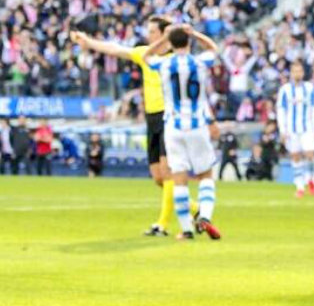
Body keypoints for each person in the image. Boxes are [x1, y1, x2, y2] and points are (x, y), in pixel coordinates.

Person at [73, 17, 194, 237]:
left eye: (152, 32)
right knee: (158, 176)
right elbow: (115, 49)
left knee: (167, 173)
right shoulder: (145, 54)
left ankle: (162, 225)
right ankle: (194, 209)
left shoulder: (176, 58)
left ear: (163, 34)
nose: (148, 35)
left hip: (170, 117)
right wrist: (89, 42)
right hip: (152, 118)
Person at [142, 25, 223, 242]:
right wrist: (194, 33)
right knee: (206, 175)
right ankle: (205, 216)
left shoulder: (164, 63)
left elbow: (147, 55)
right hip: (197, 125)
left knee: (178, 179)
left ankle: (186, 230)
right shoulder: (199, 62)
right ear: (188, 42)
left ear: (171, 43)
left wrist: (164, 39)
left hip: (173, 127)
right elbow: (214, 49)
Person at [276, 61, 314, 198]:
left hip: (307, 128)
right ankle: (300, 186)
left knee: (310, 155)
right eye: (295, 71)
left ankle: (312, 180)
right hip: (291, 130)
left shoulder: (309, 88)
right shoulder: (285, 90)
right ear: (291, 73)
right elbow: (281, 111)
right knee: (295, 156)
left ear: (303, 73)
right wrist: (282, 130)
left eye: (299, 71)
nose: (297, 74)